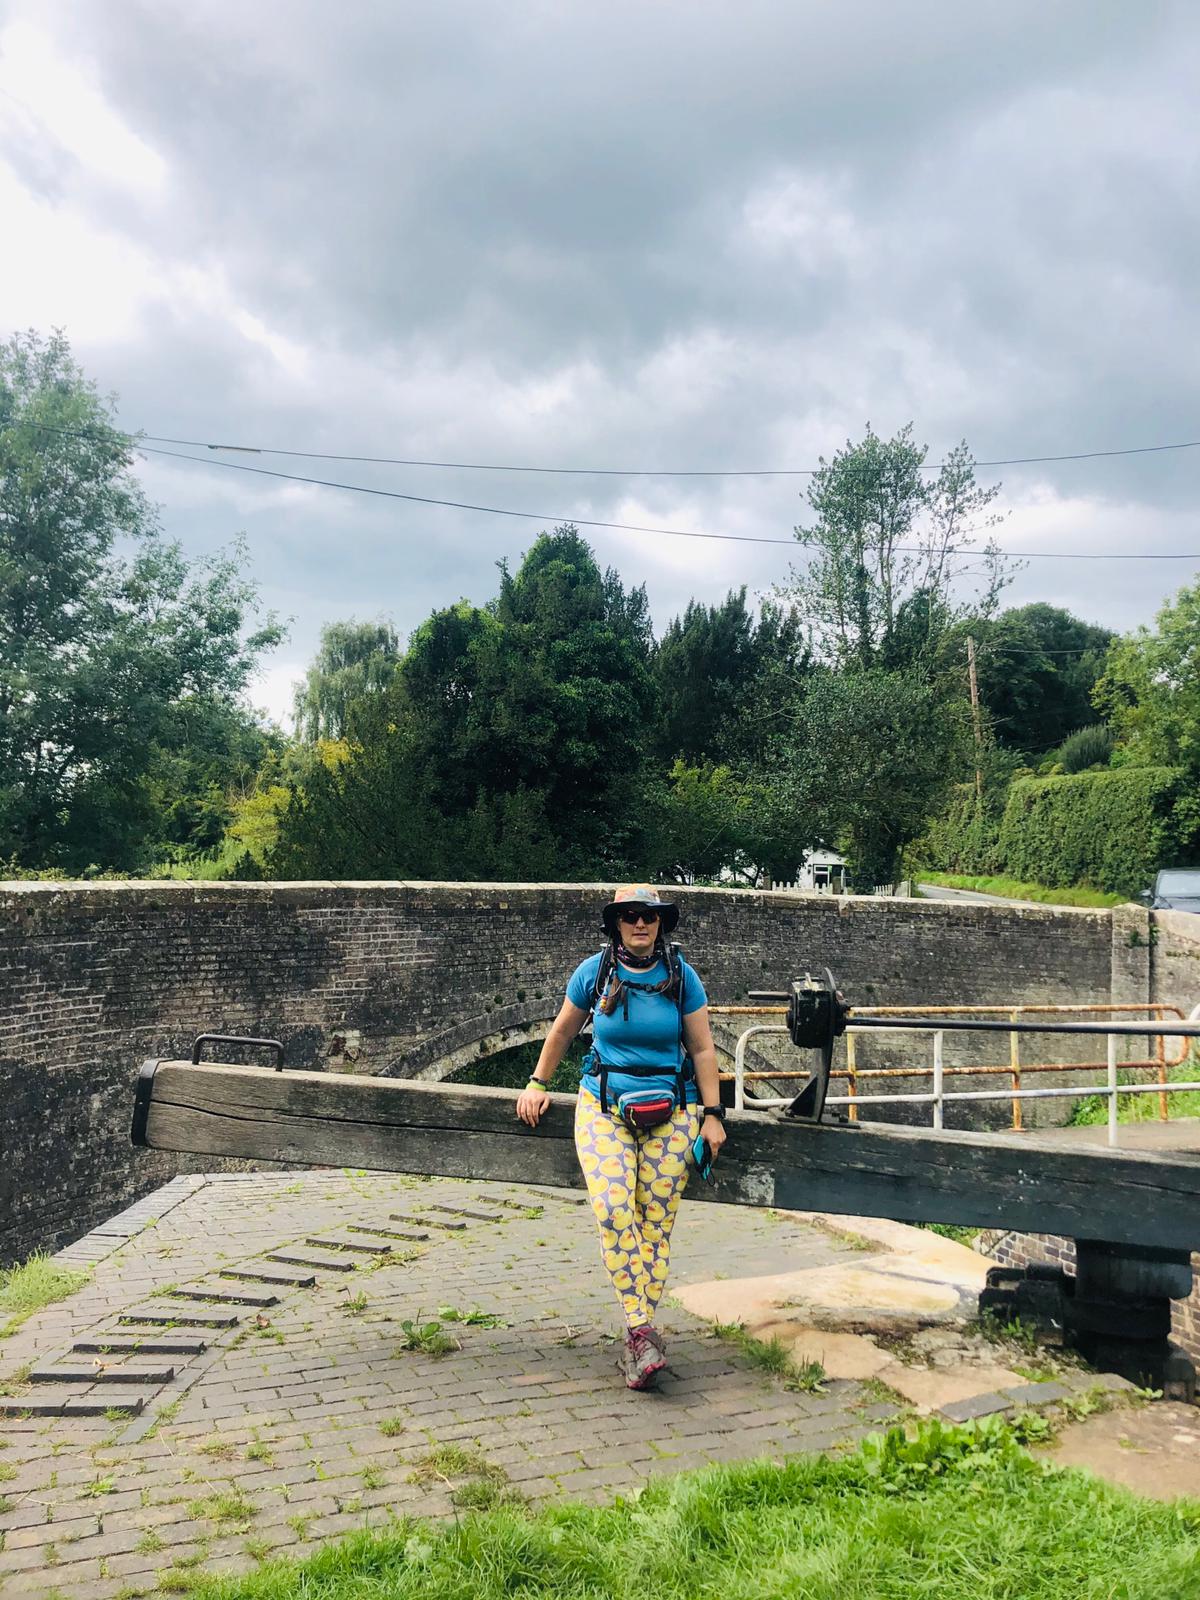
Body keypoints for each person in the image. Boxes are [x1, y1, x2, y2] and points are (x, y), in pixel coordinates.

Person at [516, 885, 727, 1390]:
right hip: (605, 1106)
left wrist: (713, 1114)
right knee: (613, 1210)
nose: (640, 924)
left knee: (655, 1224)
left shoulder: (682, 976)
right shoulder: (595, 971)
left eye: (650, 917)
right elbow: (563, 1032)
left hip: (672, 1110)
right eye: (630, 916)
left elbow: (701, 1050)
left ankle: (639, 1340)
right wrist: (537, 1083)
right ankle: (641, 1329)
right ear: (615, 923)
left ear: (661, 924)